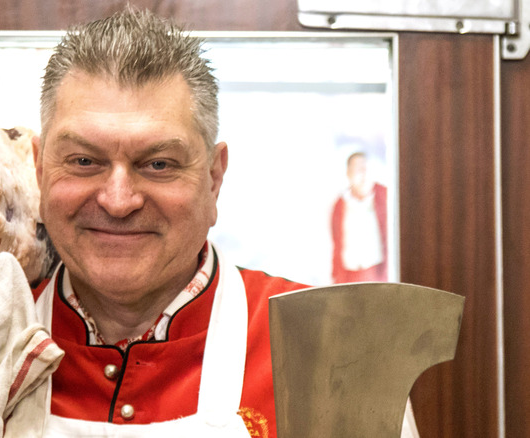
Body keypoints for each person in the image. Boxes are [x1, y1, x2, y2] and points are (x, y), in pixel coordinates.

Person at [31, 7, 418, 437]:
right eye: (84, 161)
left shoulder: (332, 349)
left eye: (158, 164)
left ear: (214, 179)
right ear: (39, 170)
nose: (119, 200)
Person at [330, 151, 389, 283]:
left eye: (366, 168)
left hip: (378, 273)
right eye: (358, 169)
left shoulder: (384, 197)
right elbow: (337, 245)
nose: (364, 174)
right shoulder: (340, 205)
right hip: (349, 276)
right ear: (349, 174)